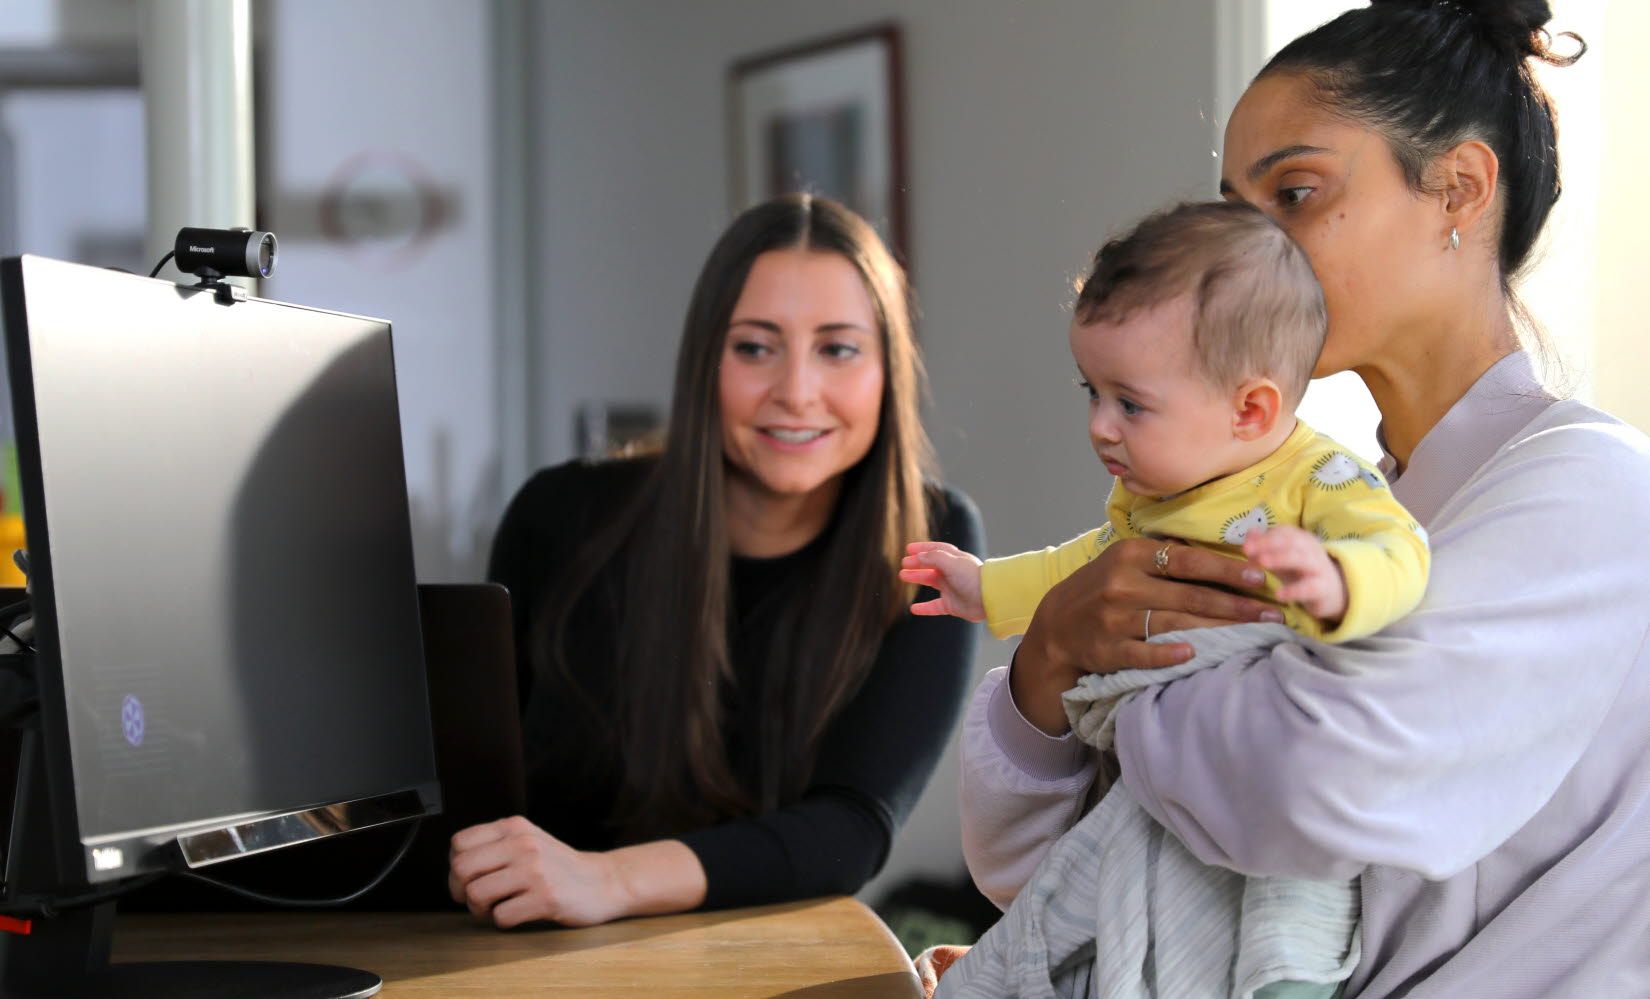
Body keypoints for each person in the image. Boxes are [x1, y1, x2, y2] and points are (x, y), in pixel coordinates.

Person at [949, 1, 1650, 996]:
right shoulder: (1300, 502)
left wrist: (1125, 691)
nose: (1249, 252)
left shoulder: (1592, 493)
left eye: (1296, 193)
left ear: (1458, 188)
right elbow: (1037, 869)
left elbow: (1309, 786)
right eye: (1234, 210)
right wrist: (1055, 650)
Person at [453, 193, 983, 929]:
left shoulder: (933, 539)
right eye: (755, 347)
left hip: (766, 969)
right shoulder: (559, 517)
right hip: (529, 955)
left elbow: (852, 827)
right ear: (706, 360)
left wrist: (606, 880)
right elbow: (471, 797)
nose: (796, 393)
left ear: (888, 368)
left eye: (838, 348)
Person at [901, 201, 1429, 648]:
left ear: (1249, 411)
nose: (1101, 426)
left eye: (1130, 404)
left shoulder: (1322, 478)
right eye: (1093, 392)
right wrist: (986, 587)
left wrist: (1337, 580)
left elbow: (1402, 550)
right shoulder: (1153, 495)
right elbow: (1087, 570)